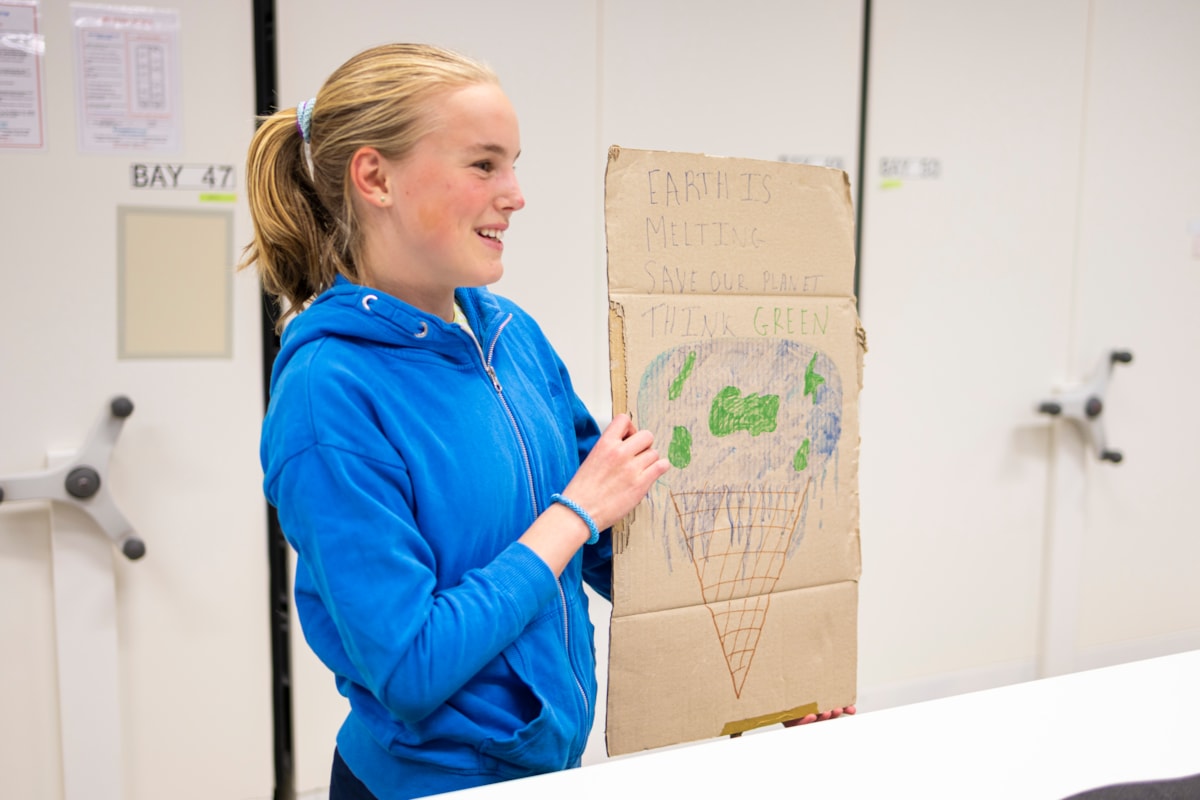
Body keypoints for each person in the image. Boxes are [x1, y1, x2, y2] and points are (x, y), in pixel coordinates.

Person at [240, 43, 669, 799]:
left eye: (514, 164)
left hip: (548, 766)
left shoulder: (507, 332)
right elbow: (409, 667)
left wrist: (771, 666)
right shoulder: (328, 393)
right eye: (483, 165)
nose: (515, 195)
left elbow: (610, 541)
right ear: (375, 177)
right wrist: (574, 515)